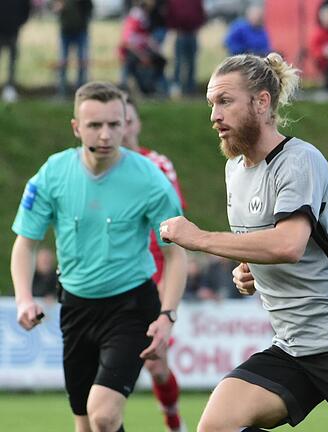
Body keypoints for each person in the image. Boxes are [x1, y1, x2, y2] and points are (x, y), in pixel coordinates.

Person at [158, 53, 328, 431]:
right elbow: (265, 244)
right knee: (217, 425)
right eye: (212, 103)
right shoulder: (235, 170)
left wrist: (200, 239)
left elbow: (288, 245)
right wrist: (250, 270)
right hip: (293, 345)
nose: (214, 115)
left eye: (225, 101)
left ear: (262, 102)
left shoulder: (299, 160)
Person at [10, 81, 187, 432]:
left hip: (132, 308)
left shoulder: (151, 179)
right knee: (85, 424)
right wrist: (23, 299)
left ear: (127, 124)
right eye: (95, 125)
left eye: (114, 124)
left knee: (103, 415)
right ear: (77, 127)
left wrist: (167, 315)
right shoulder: (53, 174)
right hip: (75, 307)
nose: (105, 134)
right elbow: (25, 244)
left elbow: (176, 253)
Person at [122, 94, 187, 432]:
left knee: (156, 363)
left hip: (155, 270)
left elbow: (173, 222)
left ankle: (174, 421)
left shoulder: (157, 164)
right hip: (113, 273)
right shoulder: (93, 170)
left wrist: (164, 288)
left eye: (129, 119)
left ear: (136, 123)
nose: (123, 127)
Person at [166, 0, 206, 97]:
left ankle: (190, 89)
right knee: (178, 62)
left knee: (192, 62)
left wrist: (198, 26)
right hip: (180, 34)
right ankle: (176, 88)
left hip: (192, 34)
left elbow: (201, 14)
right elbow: (170, 15)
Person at [53, 0, 92, 96]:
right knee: (62, 62)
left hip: (80, 31)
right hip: (66, 31)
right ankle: (62, 91)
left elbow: (89, 8)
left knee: (82, 62)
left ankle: (82, 92)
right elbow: (53, 7)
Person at [0, 0, 31, 103]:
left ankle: (9, 88)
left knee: (12, 63)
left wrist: (18, 23)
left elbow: (27, 9)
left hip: (13, 31)